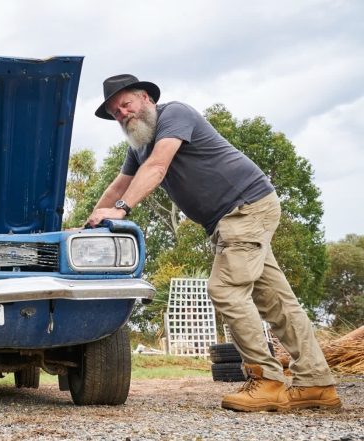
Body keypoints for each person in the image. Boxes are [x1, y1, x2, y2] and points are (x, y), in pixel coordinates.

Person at [86, 74, 341, 412]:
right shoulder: (139, 146)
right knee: (276, 301)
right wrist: (88, 223)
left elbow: (158, 168)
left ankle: (266, 382)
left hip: (244, 208)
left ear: (145, 97)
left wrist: (120, 210)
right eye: (115, 112)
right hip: (234, 216)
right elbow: (118, 185)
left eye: (125, 104)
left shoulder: (174, 115)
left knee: (225, 290)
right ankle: (317, 384)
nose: (122, 114)